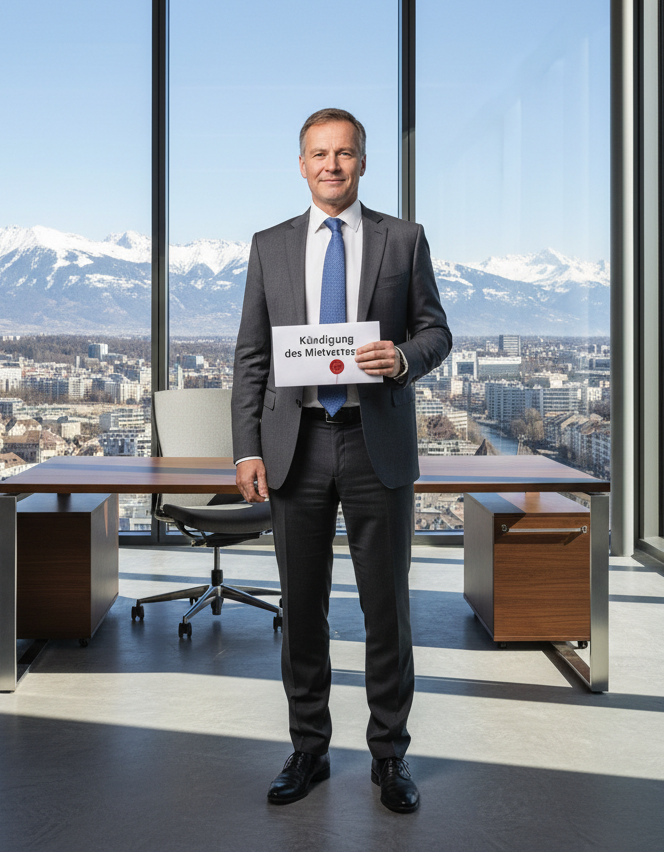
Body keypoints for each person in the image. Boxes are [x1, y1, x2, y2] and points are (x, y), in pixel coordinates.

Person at [231, 108, 452, 813]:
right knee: (302, 608)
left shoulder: (404, 240)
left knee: (386, 608)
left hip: (373, 440)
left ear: (363, 162)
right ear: (301, 165)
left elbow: (437, 331)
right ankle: (308, 750)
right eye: (319, 154)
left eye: (345, 153)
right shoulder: (269, 246)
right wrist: (245, 449)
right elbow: (251, 359)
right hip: (294, 443)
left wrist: (404, 358)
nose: (332, 165)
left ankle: (390, 758)